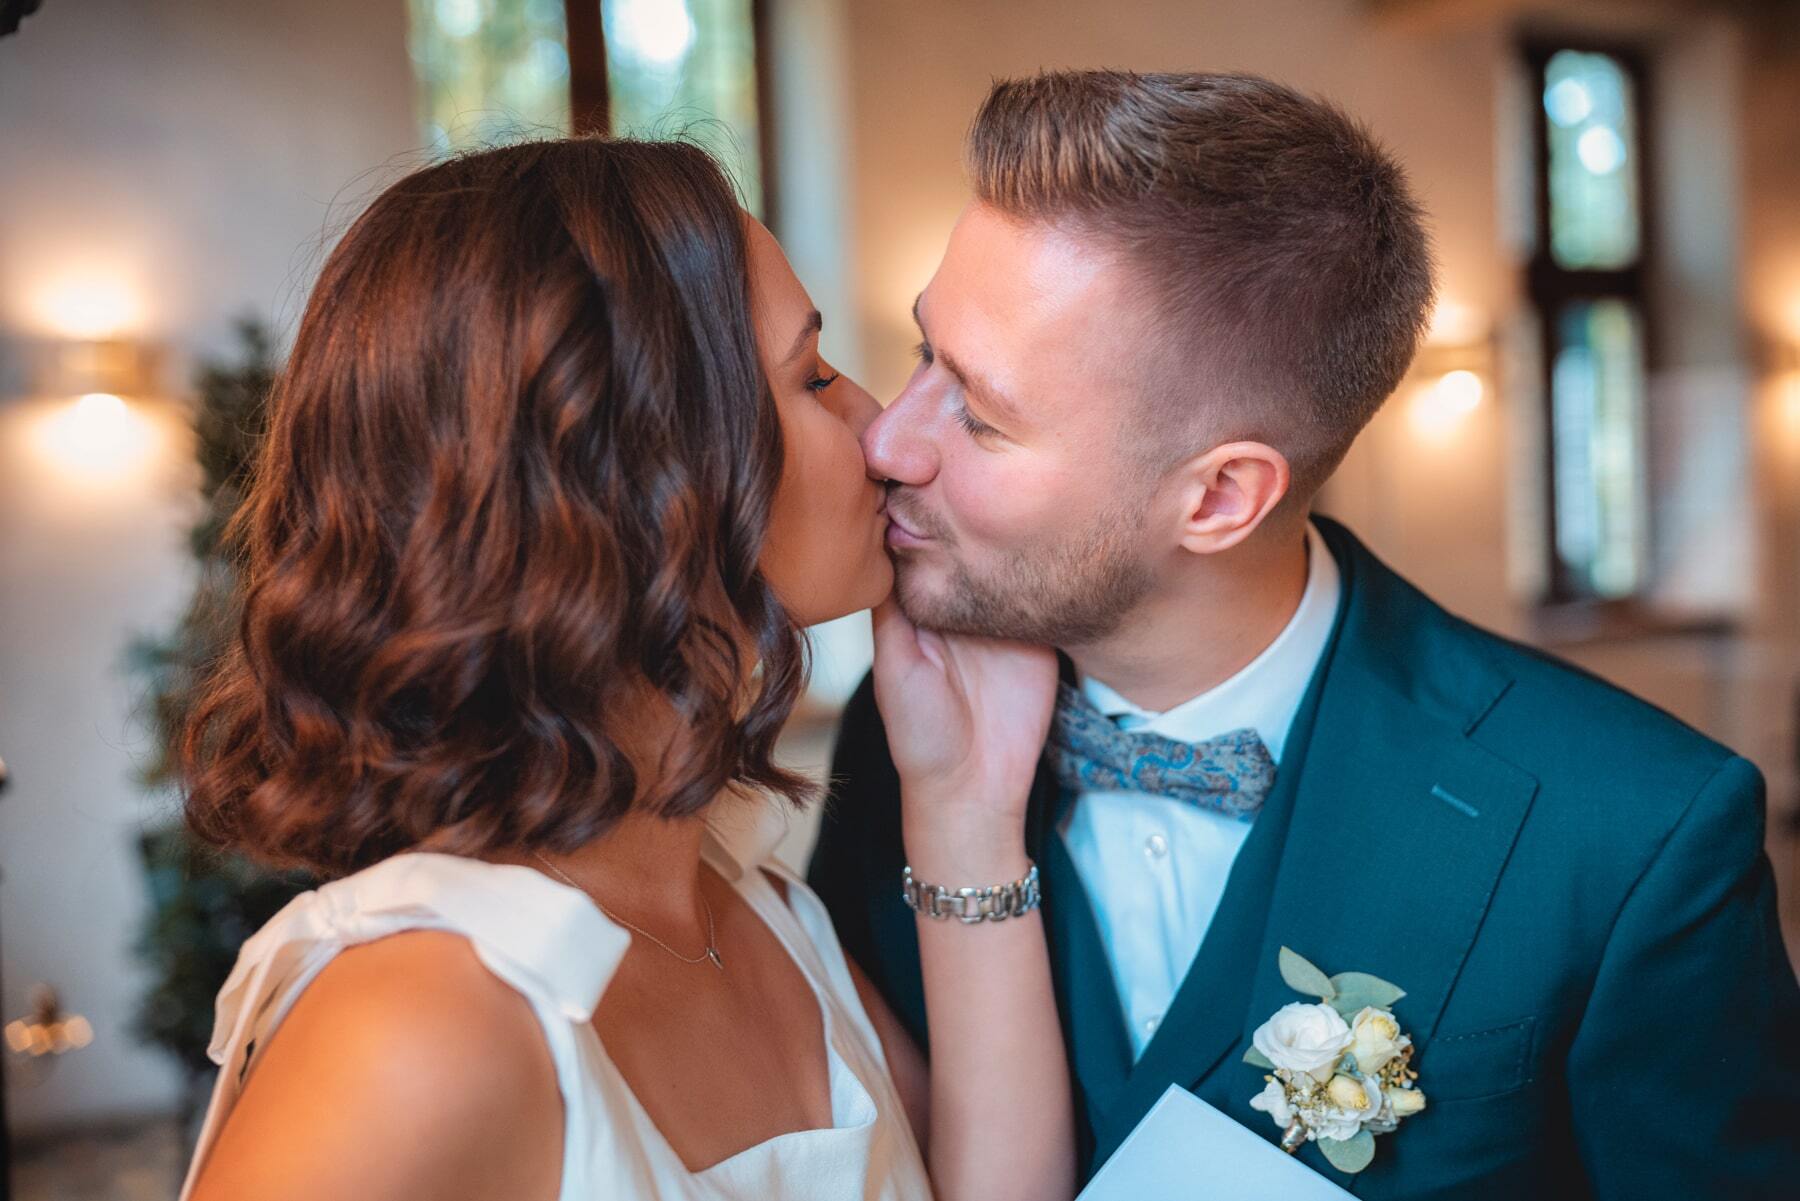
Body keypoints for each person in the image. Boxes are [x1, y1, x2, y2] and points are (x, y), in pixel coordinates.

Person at [810, 69, 1800, 1199]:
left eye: (981, 416)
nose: (887, 441)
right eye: (924, 353)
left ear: (1221, 496)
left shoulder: (1630, 831)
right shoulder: (900, 745)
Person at [175, 136, 1073, 1201]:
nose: (878, 431)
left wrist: (965, 804)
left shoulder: (763, 915)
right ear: (640, 470)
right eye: (812, 375)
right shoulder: (415, 1025)